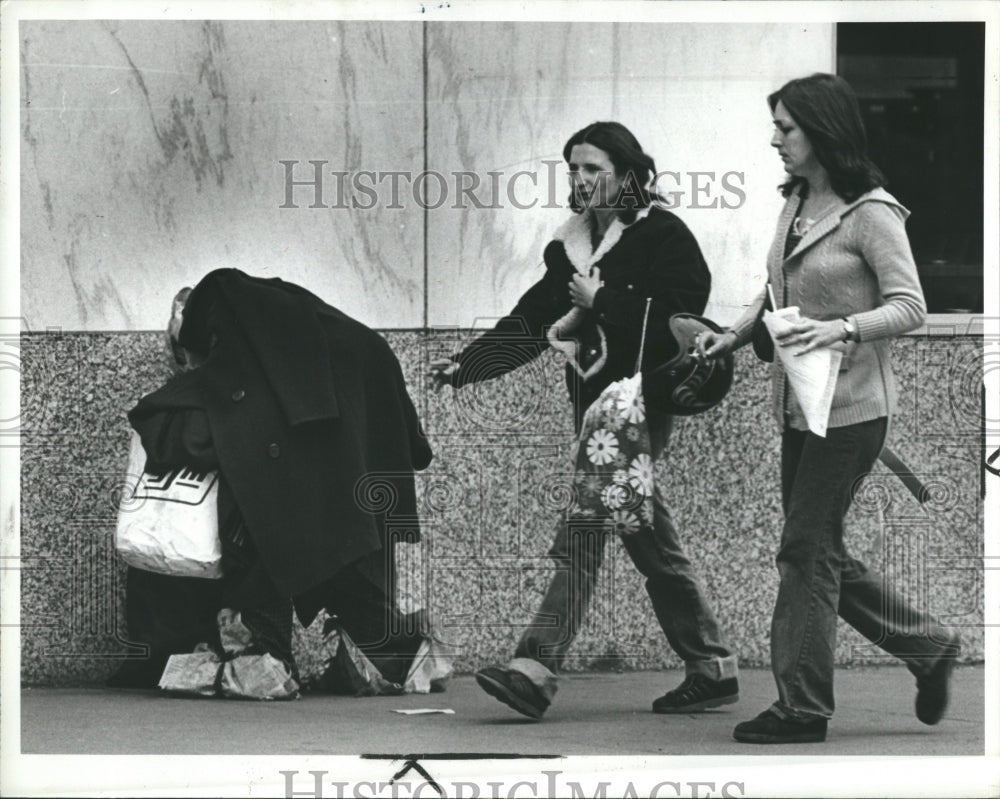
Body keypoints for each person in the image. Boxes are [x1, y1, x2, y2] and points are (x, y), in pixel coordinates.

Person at [431, 121, 739, 719]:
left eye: (593, 168)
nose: (580, 179)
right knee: (645, 535)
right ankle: (711, 665)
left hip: (638, 405)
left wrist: (603, 303)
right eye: (573, 168)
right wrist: (469, 365)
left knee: (585, 532)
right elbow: (532, 318)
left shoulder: (663, 236)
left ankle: (535, 665)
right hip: (592, 407)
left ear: (627, 174)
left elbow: (684, 317)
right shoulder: (571, 244)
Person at [697, 73, 961, 744]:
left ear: (823, 130)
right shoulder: (797, 201)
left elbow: (911, 306)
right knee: (819, 552)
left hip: (852, 413)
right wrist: (734, 332)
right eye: (777, 126)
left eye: (787, 127)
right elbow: (777, 284)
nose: (776, 139)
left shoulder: (871, 211)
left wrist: (843, 329)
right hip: (799, 406)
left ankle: (802, 706)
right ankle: (928, 647)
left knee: (804, 552)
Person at [126, 269, 434, 693]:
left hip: (321, 462)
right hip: (362, 446)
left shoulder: (231, 331)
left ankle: (290, 658)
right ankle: (397, 657)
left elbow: (190, 422)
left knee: (277, 526)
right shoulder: (287, 326)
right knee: (354, 552)